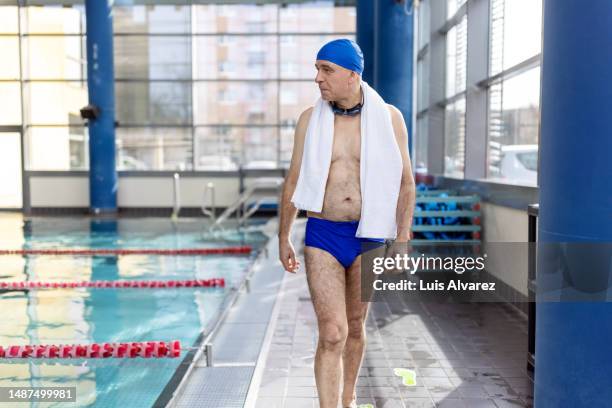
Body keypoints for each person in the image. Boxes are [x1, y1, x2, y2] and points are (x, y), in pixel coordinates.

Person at [278, 38, 416, 408]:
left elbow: (406, 183)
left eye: (326, 70)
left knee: (355, 328)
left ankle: (348, 396)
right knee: (333, 332)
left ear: (352, 75)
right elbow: (293, 180)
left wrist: (402, 239)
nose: (318, 79)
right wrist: (284, 237)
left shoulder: (388, 118)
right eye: (316, 70)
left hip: (369, 235)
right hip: (324, 233)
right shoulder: (311, 120)